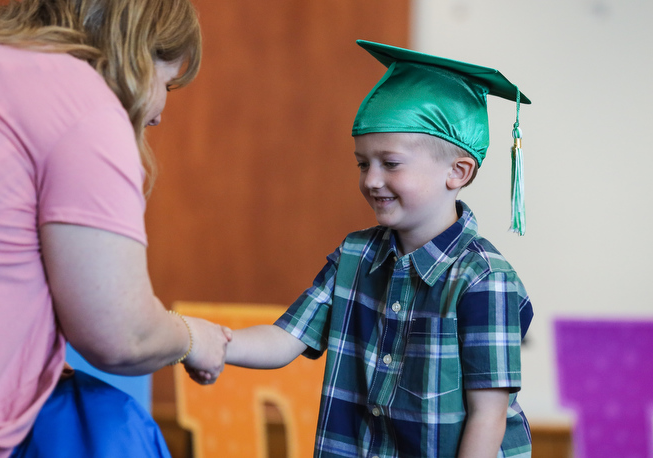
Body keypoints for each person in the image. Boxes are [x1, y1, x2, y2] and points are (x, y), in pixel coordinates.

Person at [0, 1, 231, 456]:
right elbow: (123, 335)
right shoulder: (80, 99)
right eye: (167, 83)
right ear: (136, 54)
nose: (160, 114)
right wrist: (191, 337)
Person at [219, 40, 535, 457]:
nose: (371, 180)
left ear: (457, 172)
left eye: (390, 163)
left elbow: (488, 416)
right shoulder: (355, 257)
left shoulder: (484, 278)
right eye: (362, 163)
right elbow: (283, 340)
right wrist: (209, 341)